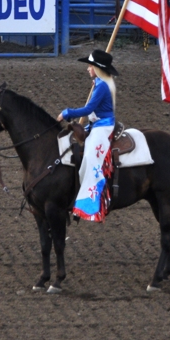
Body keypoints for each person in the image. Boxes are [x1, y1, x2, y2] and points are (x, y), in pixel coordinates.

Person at [56, 49, 118, 222]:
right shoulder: (101, 83)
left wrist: (67, 113)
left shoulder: (102, 86)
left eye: (90, 66)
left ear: (97, 68)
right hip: (96, 124)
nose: (88, 69)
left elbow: (88, 109)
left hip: (103, 127)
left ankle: (91, 203)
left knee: (91, 158)